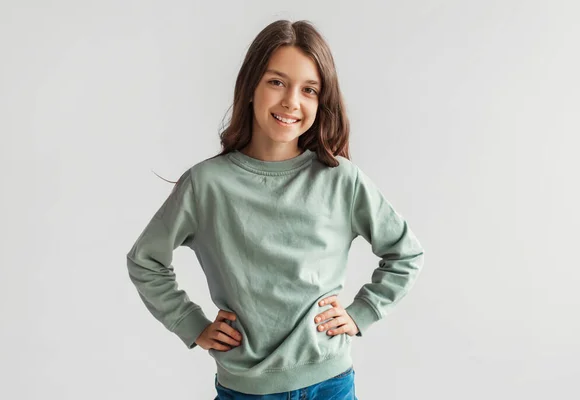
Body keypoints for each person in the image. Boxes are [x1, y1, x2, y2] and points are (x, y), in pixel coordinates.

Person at [126, 19, 425, 399]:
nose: (291, 102)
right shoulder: (206, 185)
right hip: (246, 389)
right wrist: (190, 323)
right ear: (251, 86)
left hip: (330, 384)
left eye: (309, 89)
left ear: (322, 100)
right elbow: (145, 260)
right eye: (277, 82)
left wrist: (361, 312)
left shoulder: (340, 180)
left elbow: (406, 253)